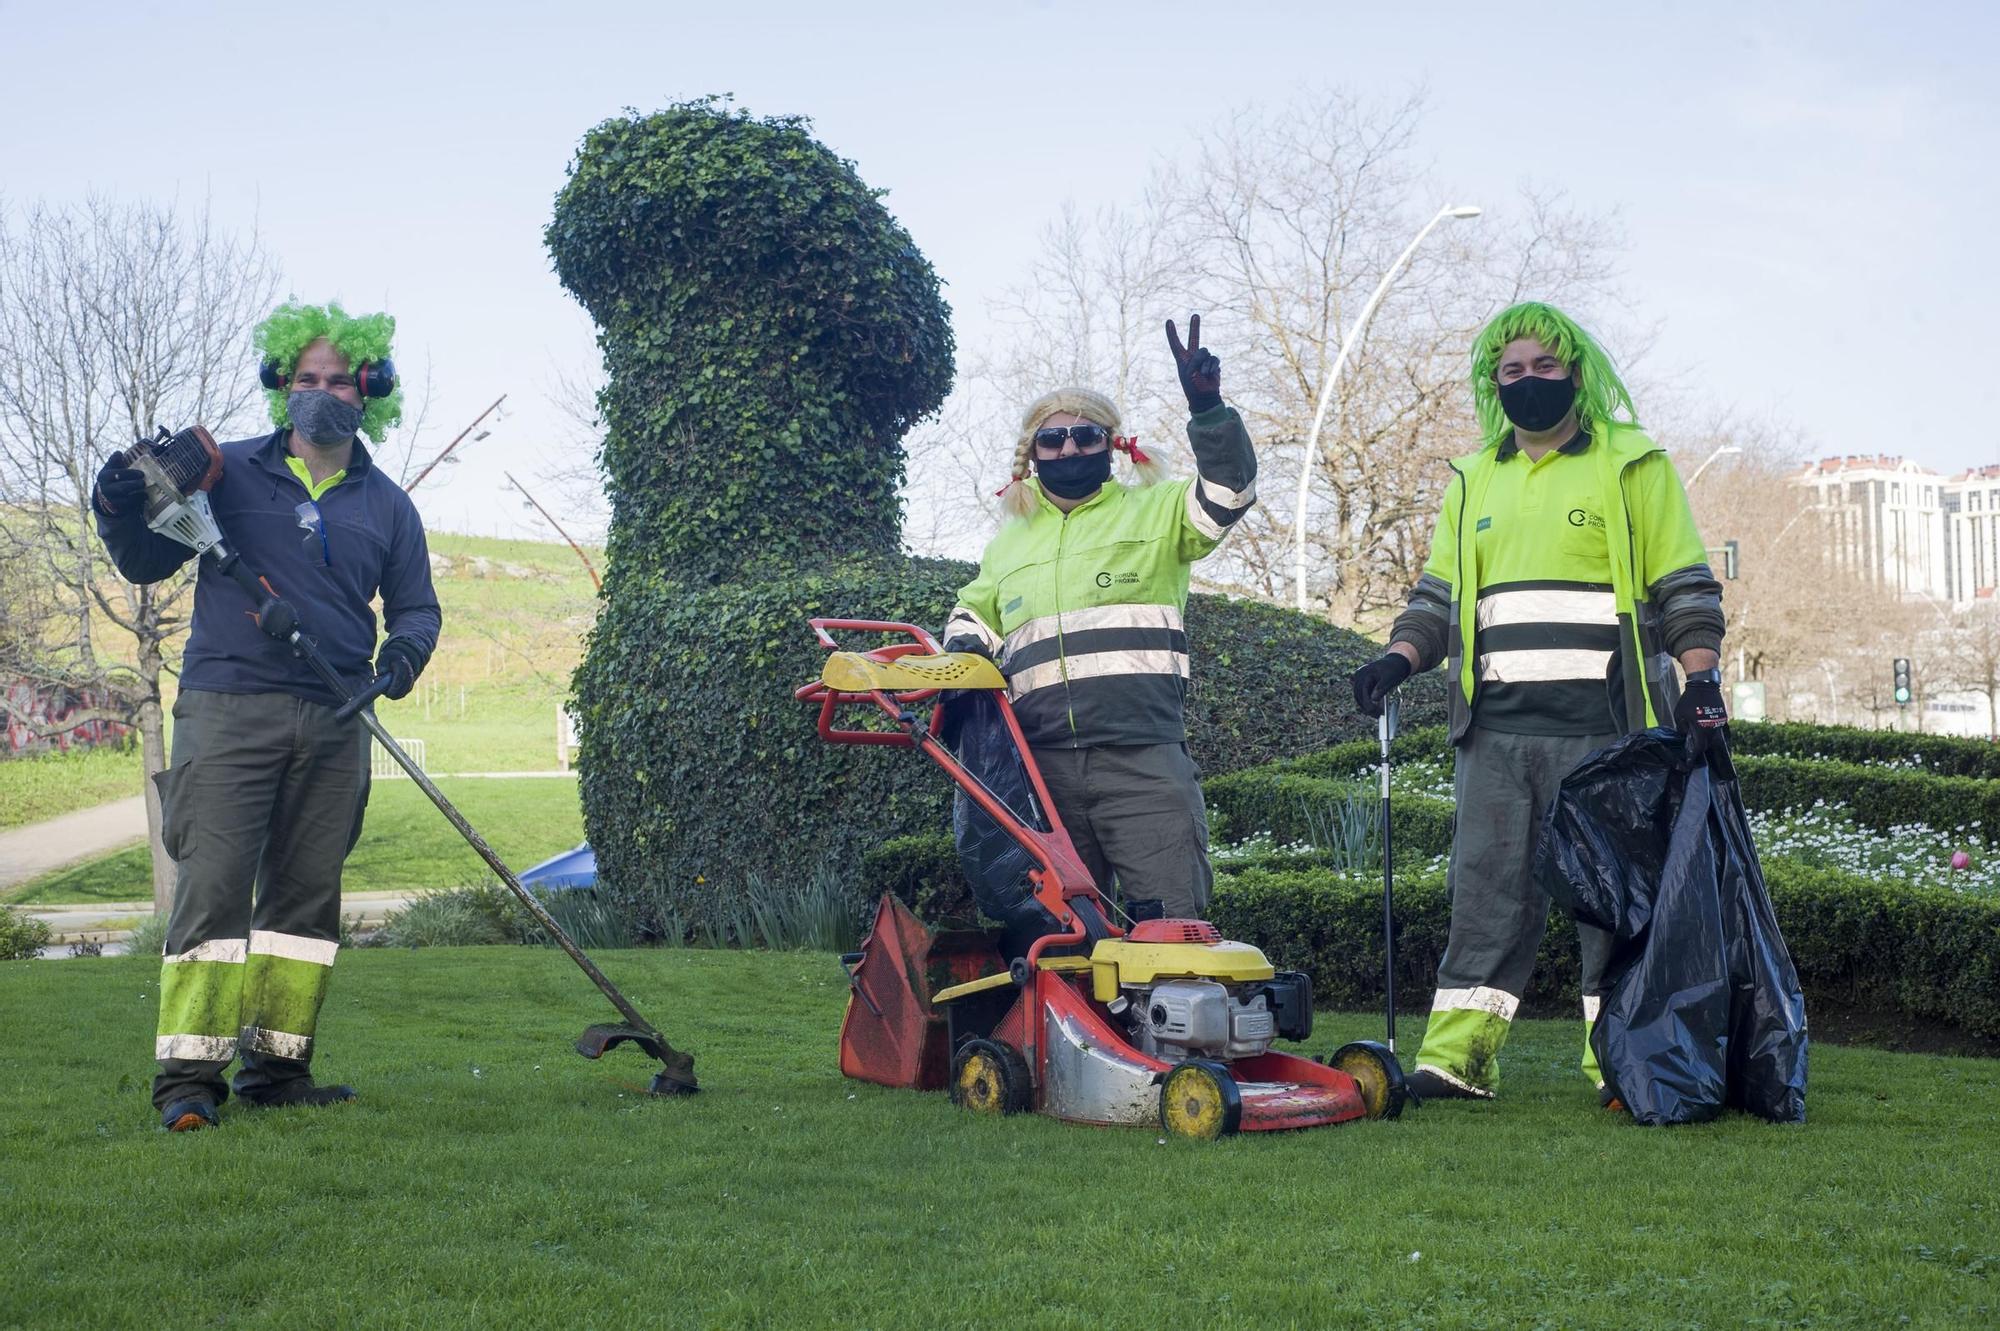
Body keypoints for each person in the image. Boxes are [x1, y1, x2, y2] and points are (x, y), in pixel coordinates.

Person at [1349, 300, 1727, 1103]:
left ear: (1575, 373)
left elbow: (1684, 585)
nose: (1529, 383)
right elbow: (1437, 599)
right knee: (1484, 899)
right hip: (1496, 736)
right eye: (1511, 372)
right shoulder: (1473, 476)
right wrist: (1396, 658)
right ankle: (1455, 1062)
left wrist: (1701, 678)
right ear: (1495, 385)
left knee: (1613, 904)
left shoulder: (1632, 463)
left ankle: (1620, 1063)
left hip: (1607, 732)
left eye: (1544, 368)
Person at [93, 301, 440, 1131]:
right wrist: (115, 502)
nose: (319, 393)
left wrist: (398, 664)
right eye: (304, 378)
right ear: (281, 382)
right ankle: (188, 1082)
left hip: (336, 712)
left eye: (337, 381)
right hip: (227, 707)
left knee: (305, 900)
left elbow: (418, 611)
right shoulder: (228, 473)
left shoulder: (387, 506)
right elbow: (143, 557)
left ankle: (278, 1071)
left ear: (371, 390)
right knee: (211, 890)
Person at [942, 316, 1256, 921]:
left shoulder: (1157, 510)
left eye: (1085, 436)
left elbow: (1229, 494)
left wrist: (1210, 413)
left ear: (1113, 445)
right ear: (1032, 456)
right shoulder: (1010, 542)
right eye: (1052, 441)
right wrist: (967, 652)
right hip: (1040, 772)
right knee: (1058, 938)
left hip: (1142, 759)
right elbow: (972, 613)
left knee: (1171, 929)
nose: (1069, 450)